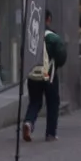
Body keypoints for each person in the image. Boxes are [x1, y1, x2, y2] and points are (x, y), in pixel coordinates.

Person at [22, 10, 67, 143]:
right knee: (53, 103)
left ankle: (29, 123)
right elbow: (62, 56)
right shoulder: (53, 38)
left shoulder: (29, 36)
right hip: (49, 75)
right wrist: (55, 65)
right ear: (48, 19)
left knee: (35, 101)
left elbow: (22, 54)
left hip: (32, 75)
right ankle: (50, 134)